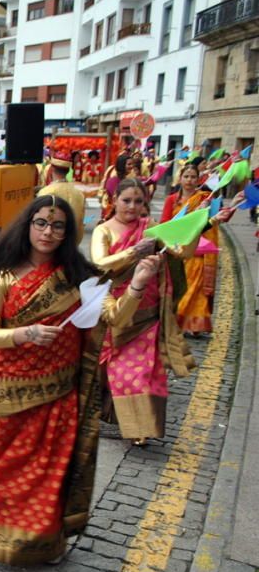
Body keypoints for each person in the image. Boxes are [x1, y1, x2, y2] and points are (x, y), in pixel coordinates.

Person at [0, 195, 160, 565]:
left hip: (58, 393)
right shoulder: (5, 275)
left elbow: (113, 318)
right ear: (28, 226)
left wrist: (138, 282)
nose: (48, 231)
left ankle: (39, 544)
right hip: (5, 394)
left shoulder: (78, 276)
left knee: (45, 474)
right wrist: (23, 334)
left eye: (57, 225)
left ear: (67, 232)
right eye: (41, 223)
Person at [91, 178, 197, 445]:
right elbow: (100, 265)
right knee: (110, 372)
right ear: (113, 200)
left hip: (148, 314)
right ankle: (105, 416)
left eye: (139, 201)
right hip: (116, 310)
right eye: (126, 200)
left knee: (142, 375)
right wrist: (132, 253)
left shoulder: (150, 228)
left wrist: (205, 223)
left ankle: (140, 428)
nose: (132, 206)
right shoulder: (103, 231)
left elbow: (181, 252)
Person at [160, 164, 224, 336]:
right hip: (178, 250)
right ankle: (177, 321)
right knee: (179, 288)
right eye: (186, 176)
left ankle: (195, 325)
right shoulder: (172, 200)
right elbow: (165, 224)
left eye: (193, 177)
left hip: (199, 250)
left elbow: (215, 221)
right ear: (180, 178)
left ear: (198, 180)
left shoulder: (204, 198)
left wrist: (205, 210)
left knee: (195, 289)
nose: (189, 180)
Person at [38, 150, 86, 243]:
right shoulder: (79, 194)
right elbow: (80, 224)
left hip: (49, 242)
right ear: (68, 170)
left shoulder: (46, 192)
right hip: (72, 243)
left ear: (51, 169)